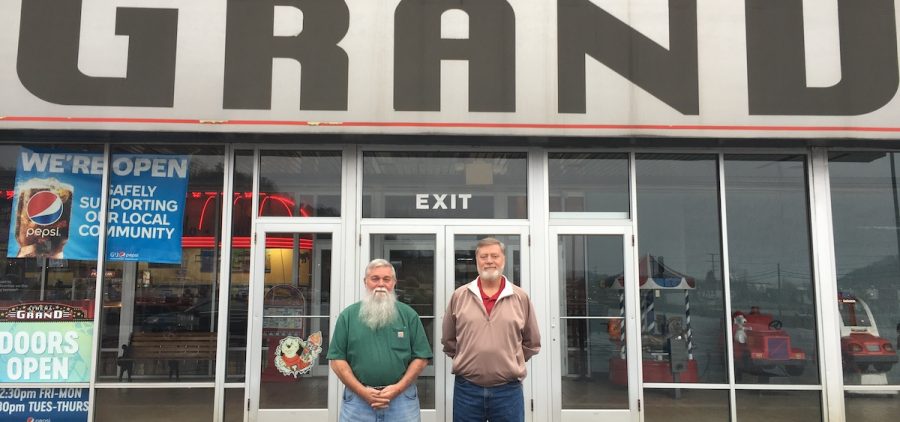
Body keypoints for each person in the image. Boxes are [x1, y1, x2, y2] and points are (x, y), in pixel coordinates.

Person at [441, 237, 541, 422]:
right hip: (467, 389)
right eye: (483, 256)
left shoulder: (520, 297)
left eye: (494, 255)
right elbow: (448, 341)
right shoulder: (460, 296)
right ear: (476, 260)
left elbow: (532, 341)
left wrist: (510, 360)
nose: (489, 261)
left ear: (503, 259)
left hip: (508, 390)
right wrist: (469, 358)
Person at [328, 258, 432, 422]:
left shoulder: (408, 315)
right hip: (357, 402)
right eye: (375, 279)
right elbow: (336, 360)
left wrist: (397, 389)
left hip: (402, 401)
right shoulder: (348, 316)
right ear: (365, 282)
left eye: (386, 279)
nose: (381, 284)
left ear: (394, 282)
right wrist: (362, 391)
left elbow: (421, 358)